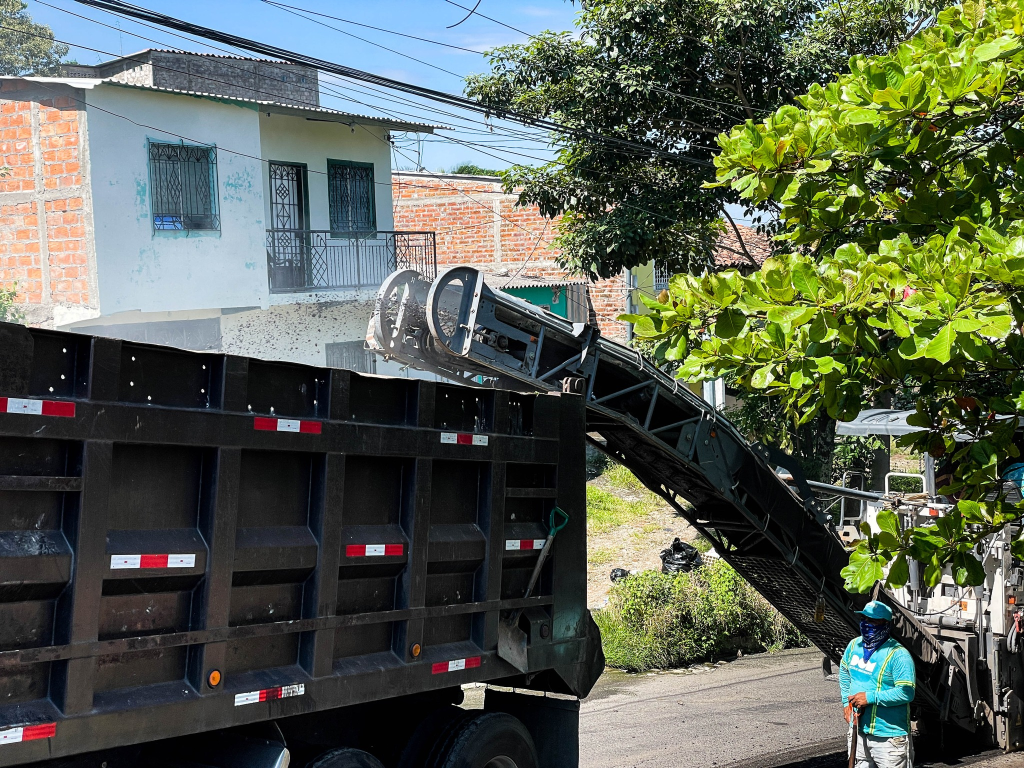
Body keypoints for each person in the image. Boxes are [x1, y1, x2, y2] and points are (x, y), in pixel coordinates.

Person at [839, 601, 916, 768]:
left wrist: (870, 698)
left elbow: (906, 692)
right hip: (858, 732)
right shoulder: (854, 646)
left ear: (886, 625)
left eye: (873, 621)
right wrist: (846, 702)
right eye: (864, 619)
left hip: (889, 738)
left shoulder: (898, 655)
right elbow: (844, 672)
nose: (867, 624)